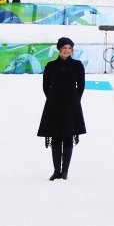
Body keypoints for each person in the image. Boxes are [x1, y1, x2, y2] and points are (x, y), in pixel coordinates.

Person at [38, 37, 86, 180]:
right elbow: (45, 86)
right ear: (59, 49)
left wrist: (74, 99)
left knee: (68, 136)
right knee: (56, 136)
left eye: (69, 48)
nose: (67, 51)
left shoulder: (78, 65)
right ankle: (56, 171)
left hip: (72, 105)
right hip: (54, 105)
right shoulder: (50, 66)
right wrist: (54, 98)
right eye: (64, 48)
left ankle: (64, 171)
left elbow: (81, 86)